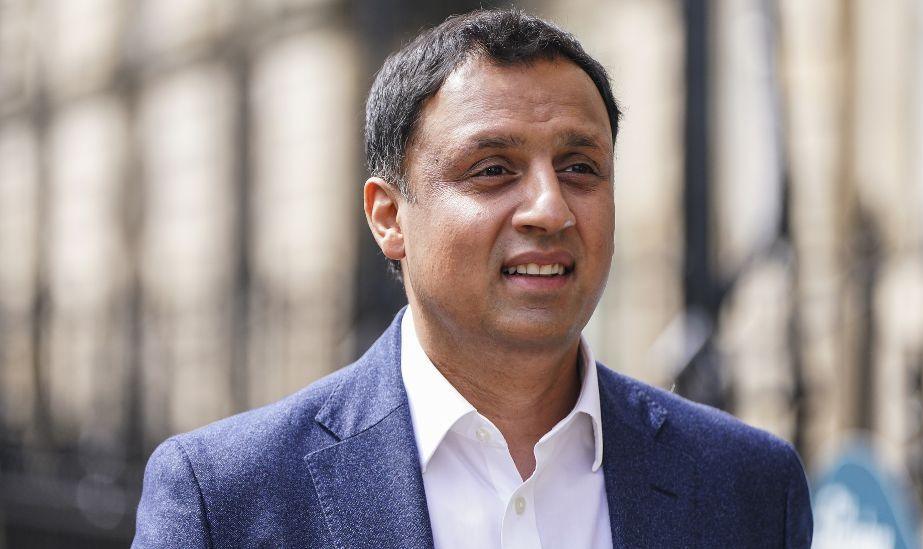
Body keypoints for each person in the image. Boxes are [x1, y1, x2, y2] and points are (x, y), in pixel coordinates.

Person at [133, 8, 813, 549]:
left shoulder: (748, 486)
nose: (549, 208)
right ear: (389, 216)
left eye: (580, 167)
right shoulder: (225, 499)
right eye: (492, 169)